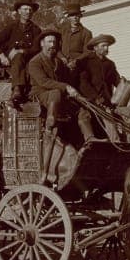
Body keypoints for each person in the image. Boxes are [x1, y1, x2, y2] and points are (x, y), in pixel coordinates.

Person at [27, 29, 82, 179]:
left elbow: (66, 80)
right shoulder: (35, 62)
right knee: (56, 93)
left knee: (80, 107)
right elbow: (43, 82)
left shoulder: (58, 62)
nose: (53, 45)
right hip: (40, 94)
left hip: (56, 97)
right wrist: (66, 87)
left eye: (55, 42)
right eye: (50, 42)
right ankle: (51, 124)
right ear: (42, 44)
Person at [0, 0, 43, 108]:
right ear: (19, 11)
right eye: (25, 9)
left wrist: (23, 51)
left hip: (28, 59)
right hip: (9, 61)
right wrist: (2, 56)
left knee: (20, 56)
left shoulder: (36, 30)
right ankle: (17, 89)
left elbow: (37, 48)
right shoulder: (11, 27)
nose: (28, 12)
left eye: (30, 10)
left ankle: (17, 90)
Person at [76, 33, 123, 142]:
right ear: (95, 47)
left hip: (106, 101)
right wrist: (95, 97)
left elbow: (117, 81)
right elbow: (83, 83)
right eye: (103, 46)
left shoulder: (110, 64)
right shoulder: (86, 62)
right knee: (101, 114)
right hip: (88, 100)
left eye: (107, 46)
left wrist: (127, 85)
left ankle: (128, 141)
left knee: (126, 113)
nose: (106, 48)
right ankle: (115, 142)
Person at [58, 3, 93, 72]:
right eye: (72, 15)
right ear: (68, 17)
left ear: (80, 16)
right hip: (62, 64)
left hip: (79, 66)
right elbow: (57, 47)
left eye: (77, 15)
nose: (75, 17)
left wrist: (75, 61)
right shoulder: (62, 31)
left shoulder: (86, 33)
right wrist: (61, 57)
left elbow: (88, 52)